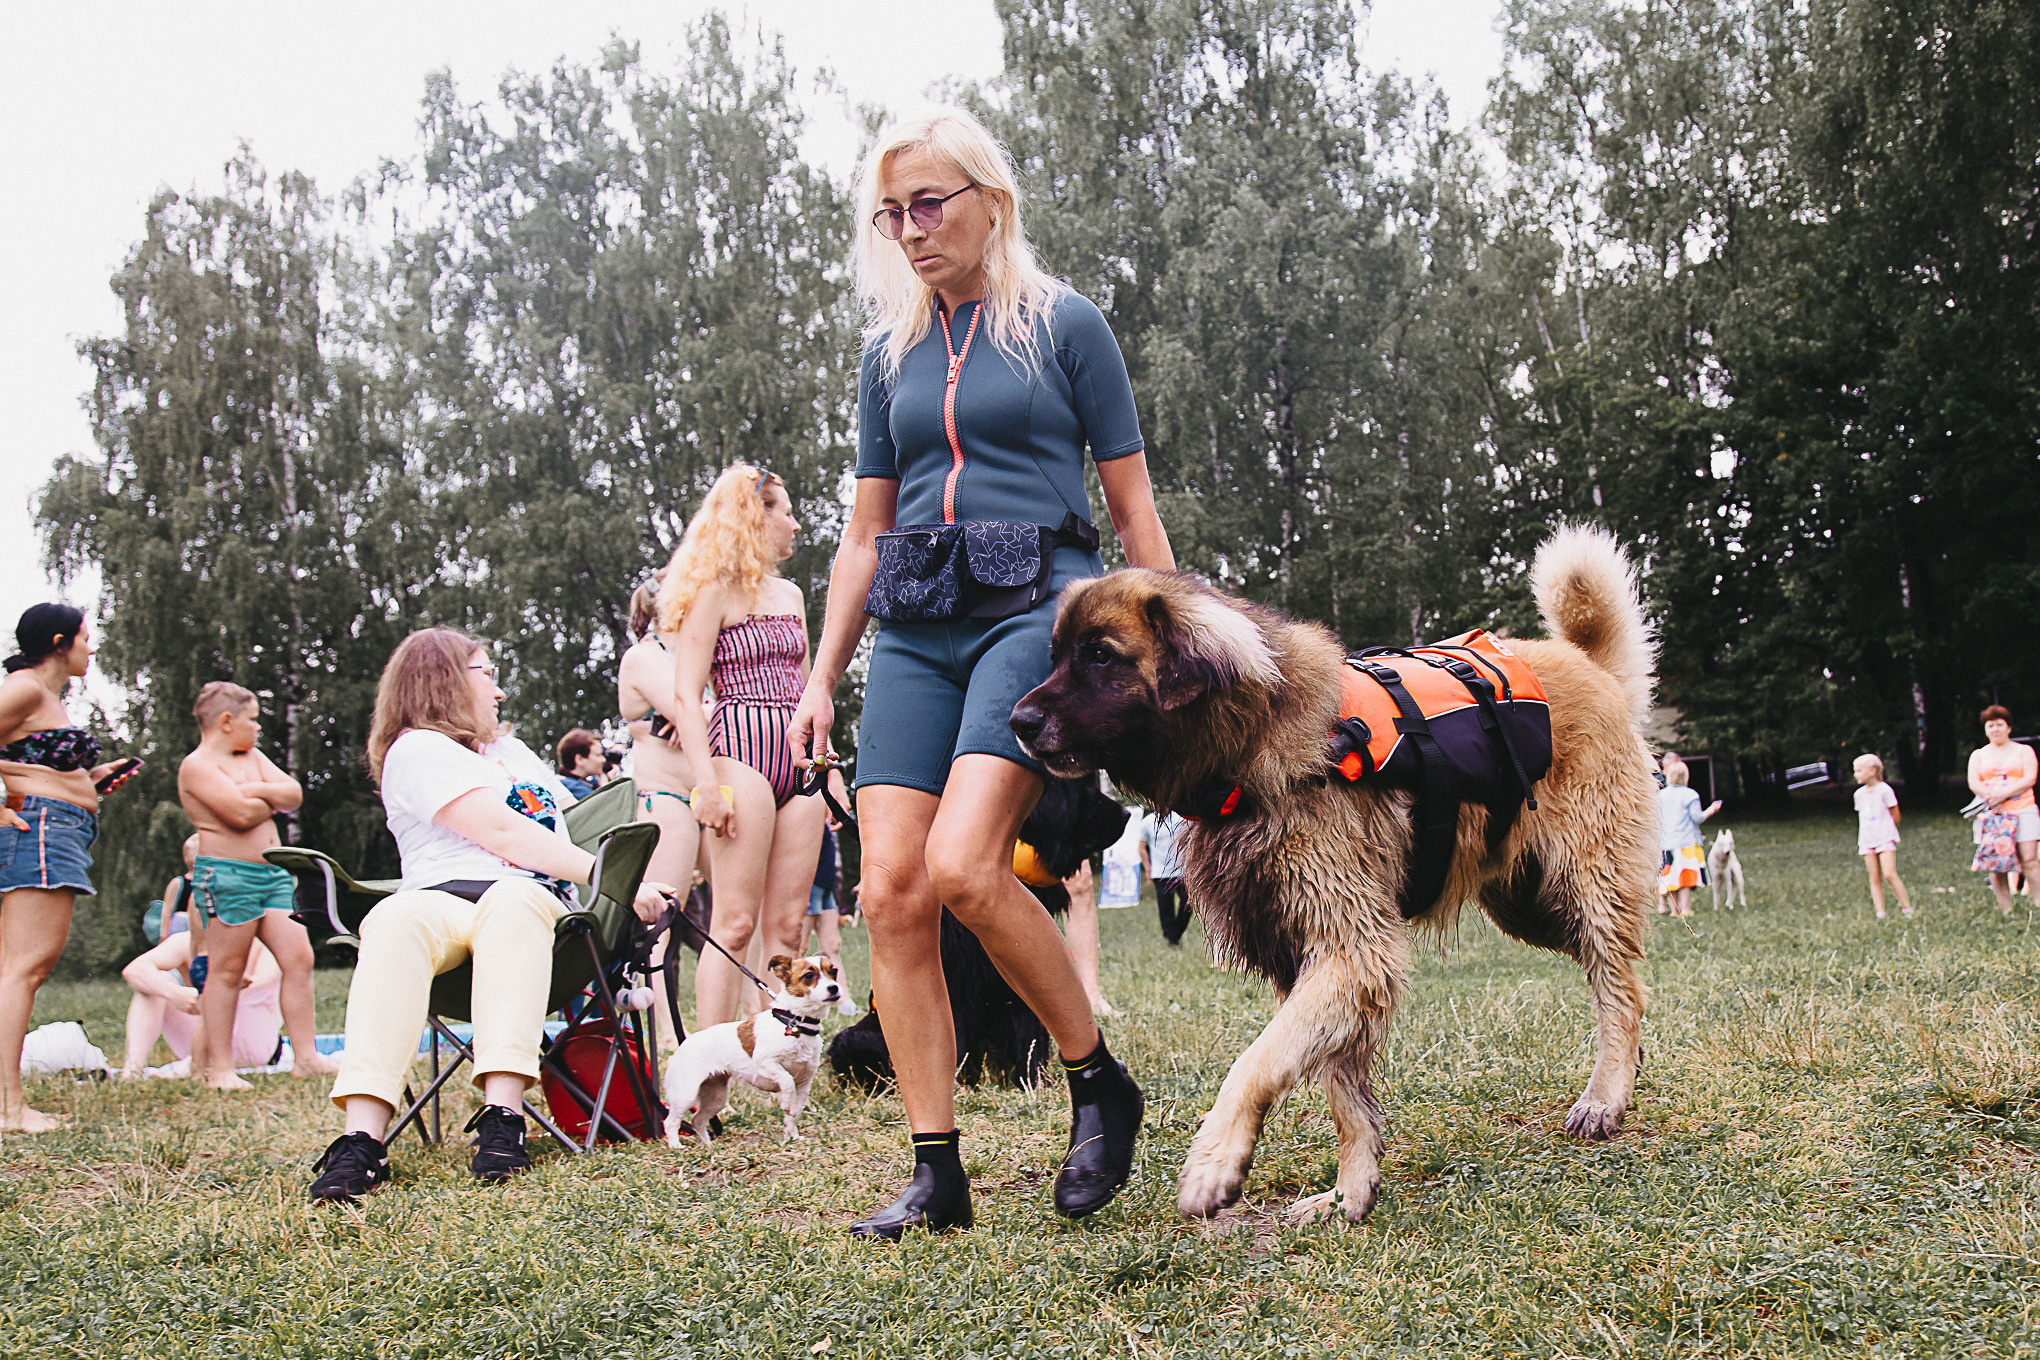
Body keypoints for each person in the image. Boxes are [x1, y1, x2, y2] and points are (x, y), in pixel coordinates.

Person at [788, 108, 1176, 1238]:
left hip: (1035, 606)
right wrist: (821, 675)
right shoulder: (887, 356)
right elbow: (862, 537)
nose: (909, 230)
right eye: (890, 213)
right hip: (912, 623)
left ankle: (1097, 1078)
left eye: (929, 204)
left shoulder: (1067, 326)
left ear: (990, 201)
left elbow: (1131, 502)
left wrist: (1184, 639)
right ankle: (935, 1170)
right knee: (888, 893)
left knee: (966, 863)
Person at [309, 628, 672, 1203]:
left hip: (528, 901)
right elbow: (502, 831)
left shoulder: (512, 752)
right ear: (445, 680)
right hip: (442, 897)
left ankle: (503, 1117)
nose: (498, 692)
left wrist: (633, 873)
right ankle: (361, 1140)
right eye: (487, 674)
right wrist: (613, 882)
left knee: (514, 902)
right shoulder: (415, 748)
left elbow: (574, 826)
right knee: (392, 920)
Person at [659, 465, 828, 1036]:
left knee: (788, 925)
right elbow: (685, 695)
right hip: (740, 754)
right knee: (733, 922)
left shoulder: (792, 594)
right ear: (756, 518)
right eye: (785, 510)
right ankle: (710, 1073)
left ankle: (777, 1057)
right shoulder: (713, 594)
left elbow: (810, 691)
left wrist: (828, 777)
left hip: (798, 761)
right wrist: (705, 784)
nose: (795, 524)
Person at [0, 604, 136, 1132]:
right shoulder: (27, 687)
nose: (91, 647)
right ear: (60, 641)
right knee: (24, 969)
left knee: (19, 969)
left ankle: (9, 1104)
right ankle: (10, 1108)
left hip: (55, 825)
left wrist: (88, 779)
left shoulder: (41, 695)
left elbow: (29, 757)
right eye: (85, 636)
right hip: (39, 829)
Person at [177, 681, 333, 1088]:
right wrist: (266, 797)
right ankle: (222, 1070)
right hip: (228, 877)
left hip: (274, 874)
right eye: (252, 720)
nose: (258, 729)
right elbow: (241, 815)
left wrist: (256, 789)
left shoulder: (251, 757)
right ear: (226, 721)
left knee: (299, 959)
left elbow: (293, 794)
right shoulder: (197, 766)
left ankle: (306, 1056)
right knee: (226, 971)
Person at [617, 574, 707, 1049]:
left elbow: (699, 711)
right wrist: (691, 714)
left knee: (734, 916)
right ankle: (667, 1032)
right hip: (665, 798)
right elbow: (694, 708)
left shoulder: (695, 656)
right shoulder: (644, 656)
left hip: (709, 794)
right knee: (662, 922)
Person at [120, 930, 282, 1079]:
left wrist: (204, 997)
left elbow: (246, 988)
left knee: (227, 998)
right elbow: (134, 970)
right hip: (200, 1035)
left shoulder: (260, 948)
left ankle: (199, 1063)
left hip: (253, 1043)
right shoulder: (186, 941)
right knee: (153, 984)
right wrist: (175, 993)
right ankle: (133, 1069)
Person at [1969, 705, 2038, 913]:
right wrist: (1992, 798)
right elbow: (1974, 782)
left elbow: (2030, 778)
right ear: (1986, 730)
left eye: (2000, 724)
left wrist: (2003, 794)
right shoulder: (1978, 755)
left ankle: (2038, 903)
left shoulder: (2023, 751)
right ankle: (2006, 909)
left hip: (2023, 809)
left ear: (2008, 728)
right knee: (1996, 863)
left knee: (2030, 859)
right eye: (1991, 725)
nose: (1995, 729)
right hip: (1993, 815)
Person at [803, 824, 859, 1016]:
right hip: (807, 881)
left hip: (825, 882)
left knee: (832, 944)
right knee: (799, 946)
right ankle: (799, 1006)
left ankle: (845, 1004)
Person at [1657, 760, 1722, 917]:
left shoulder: (1661, 795)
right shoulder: (1691, 795)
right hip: (1686, 842)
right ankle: (1685, 908)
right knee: (1685, 876)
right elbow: (1697, 817)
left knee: (1671, 876)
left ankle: (1674, 910)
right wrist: (1712, 810)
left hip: (1666, 843)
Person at [1852, 754, 1912, 920]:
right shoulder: (1859, 794)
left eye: (1859, 770)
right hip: (1866, 839)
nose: (1855, 774)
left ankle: (1907, 909)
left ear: (1872, 771)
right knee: (1875, 876)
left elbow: (1895, 814)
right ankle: (1880, 912)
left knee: (1889, 874)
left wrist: (1887, 831)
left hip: (1885, 837)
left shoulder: (1885, 790)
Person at [1140, 809, 1191, 946]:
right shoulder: (1147, 822)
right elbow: (1141, 847)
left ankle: (1175, 934)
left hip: (1181, 871)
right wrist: (1147, 869)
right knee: (1165, 908)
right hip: (1160, 873)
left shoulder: (1181, 818)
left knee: (1188, 904)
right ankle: (1171, 940)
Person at [554, 730, 606, 802]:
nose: (603, 760)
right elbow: (603, 805)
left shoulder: (560, 783)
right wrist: (605, 785)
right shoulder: (575, 788)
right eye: (598, 755)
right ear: (580, 759)